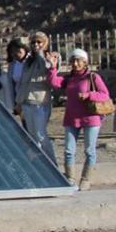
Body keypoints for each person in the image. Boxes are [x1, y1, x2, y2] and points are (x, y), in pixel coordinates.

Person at [48, 49, 111, 189]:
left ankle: (86, 179)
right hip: (72, 118)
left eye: (78, 61)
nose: (75, 64)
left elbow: (105, 95)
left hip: (91, 118)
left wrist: (89, 95)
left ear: (85, 62)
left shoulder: (93, 77)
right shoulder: (69, 78)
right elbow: (54, 82)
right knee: (69, 150)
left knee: (89, 150)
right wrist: (52, 67)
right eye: (73, 61)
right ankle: (70, 178)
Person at [14, 32, 55, 163]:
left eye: (39, 42)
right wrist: (19, 102)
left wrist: (42, 53)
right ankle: (39, 164)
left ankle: (52, 163)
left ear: (45, 43)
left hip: (40, 102)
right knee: (32, 136)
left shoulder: (50, 57)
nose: (36, 45)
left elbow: (49, 68)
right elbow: (23, 83)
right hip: (27, 102)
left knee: (41, 135)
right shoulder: (28, 62)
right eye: (33, 42)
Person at [6, 39, 29, 106]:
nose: (16, 53)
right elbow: (11, 85)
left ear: (25, 49)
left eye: (18, 50)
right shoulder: (12, 65)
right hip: (19, 100)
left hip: (33, 100)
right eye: (12, 51)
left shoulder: (32, 61)